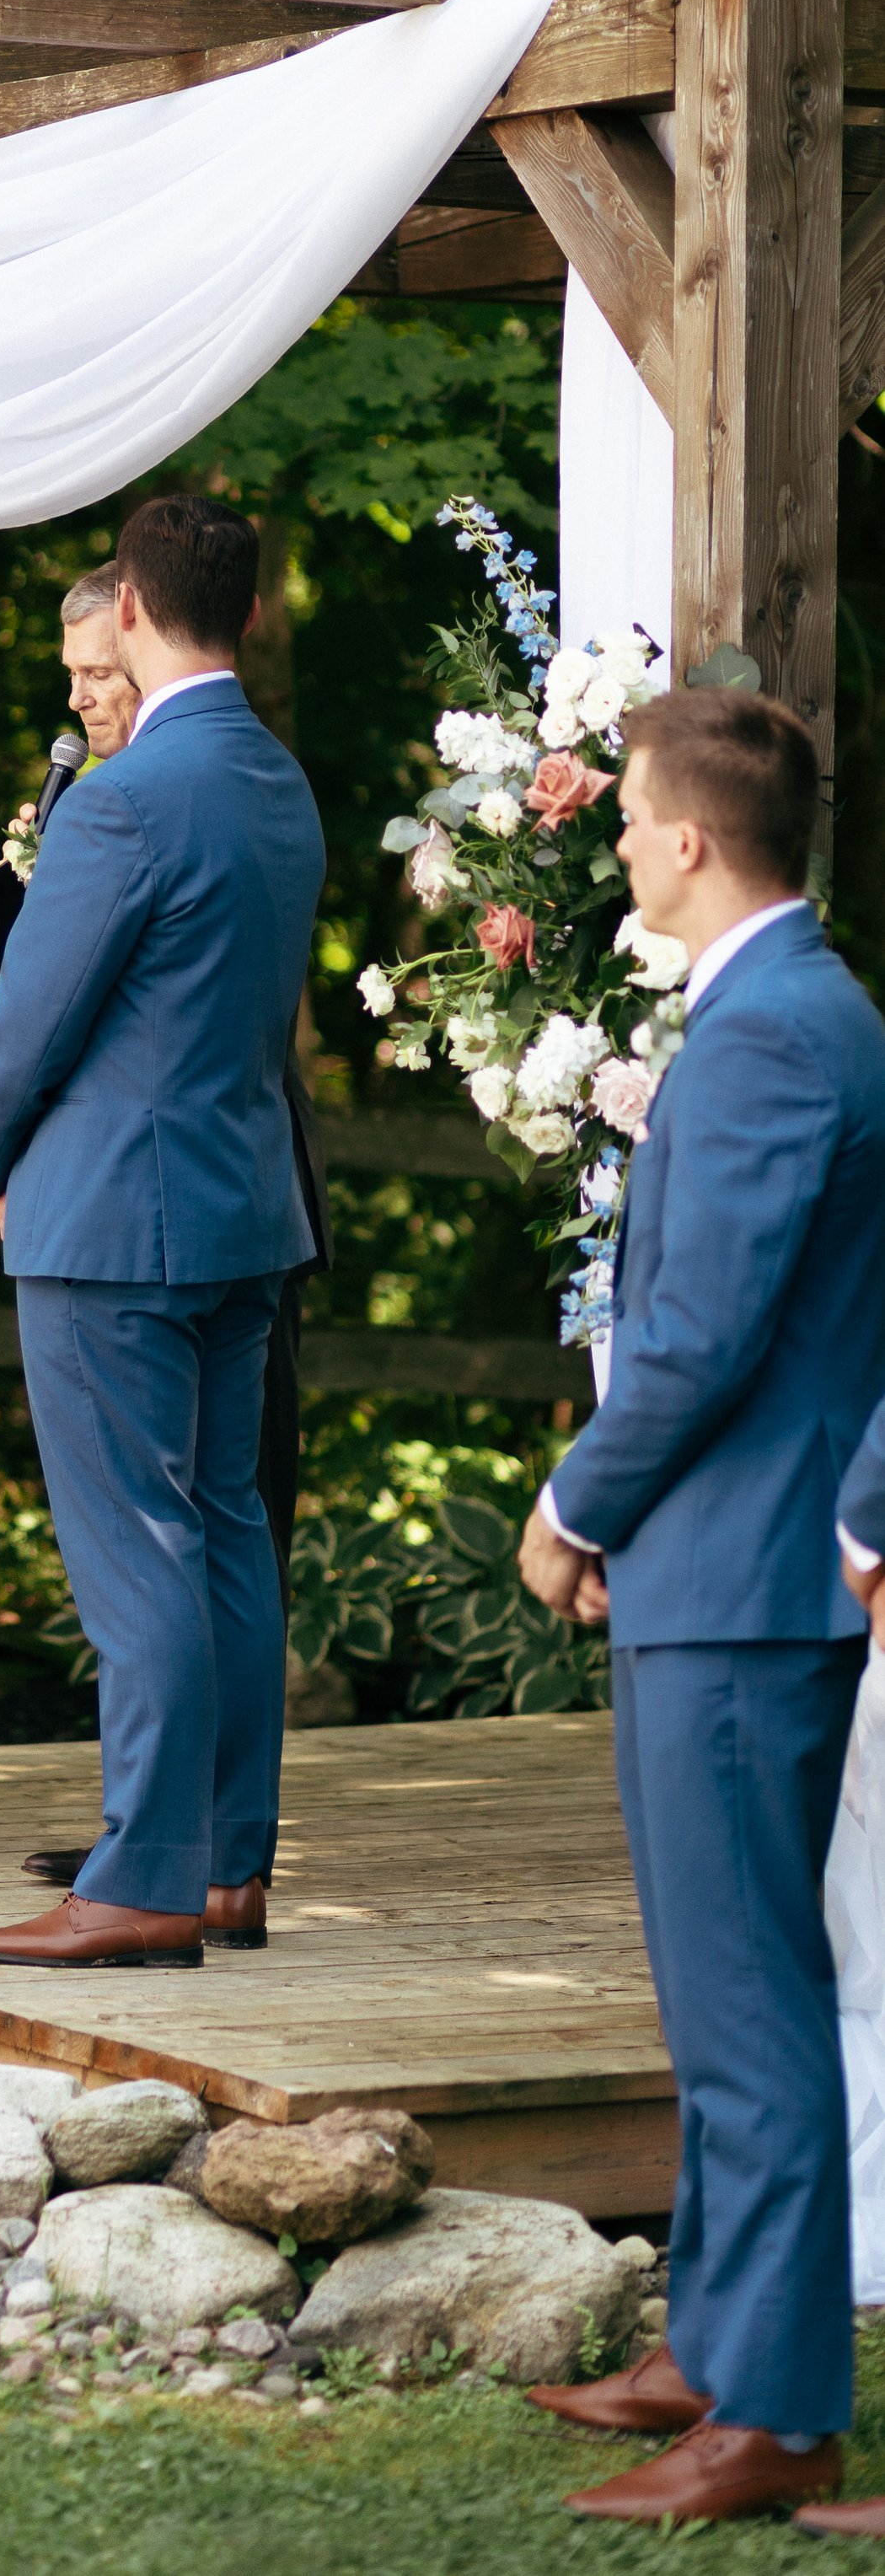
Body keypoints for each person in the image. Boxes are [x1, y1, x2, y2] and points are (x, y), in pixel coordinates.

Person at [514, 689, 885, 2530]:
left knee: (747, 2007)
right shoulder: (784, 1008)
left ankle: (774, 2415)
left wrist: (575, 1503)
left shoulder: (772, 1032)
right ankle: (712, 2341)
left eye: (630, 821)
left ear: (682, 839)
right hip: (725, 1570)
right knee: (716, 1993)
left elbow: (698, 1334)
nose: (618, 848)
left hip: (738, 1586)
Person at [0, 497, 325, 1970]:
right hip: (241, 1206)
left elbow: (32, 1025)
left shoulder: (123, 797)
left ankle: (145, 1879)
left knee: (139, 1552)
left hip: (108, 1218)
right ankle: (231, 1863)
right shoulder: (275, 779)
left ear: (131, 613)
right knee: (228, 1530)